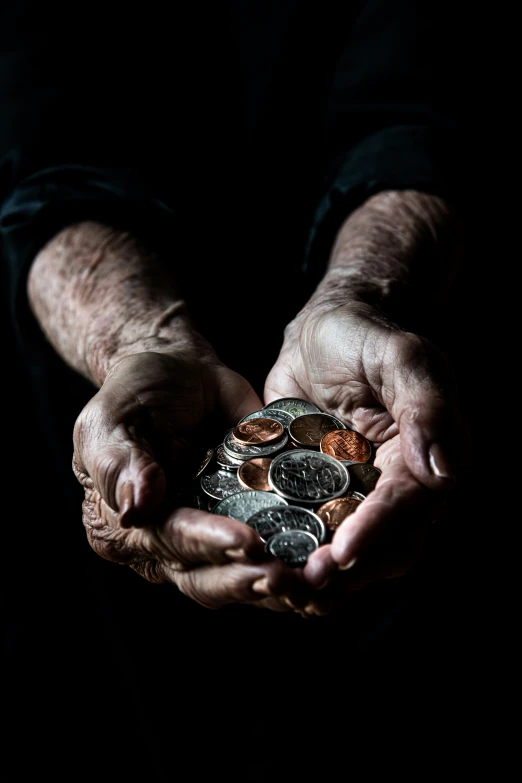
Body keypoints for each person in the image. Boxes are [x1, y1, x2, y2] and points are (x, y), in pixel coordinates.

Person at [3, 1, 480, 779]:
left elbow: (419, 112)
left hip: (408, 394)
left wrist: (360, 292)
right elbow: (39, 160)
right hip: (87, 512)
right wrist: (136, 338)